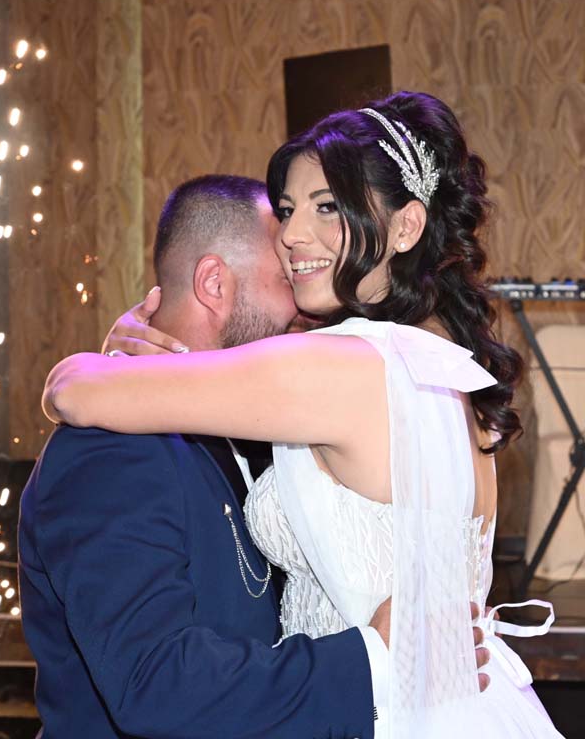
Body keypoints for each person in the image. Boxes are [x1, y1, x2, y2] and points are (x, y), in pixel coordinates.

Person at [44, 92, 563, 737]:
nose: (291, 235)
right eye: (288, 210)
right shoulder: (450, 373)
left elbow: (75, 393)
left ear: (406, 227)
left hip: (377, 713)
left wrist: (98, 362)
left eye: (327, 206)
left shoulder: (334, 367)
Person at [19, 175, 407, 739]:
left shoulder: (252, 426)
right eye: (286, 276)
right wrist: (368, 662)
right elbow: (156, 684)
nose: (305, 307)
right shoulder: (110, 449)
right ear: (214, 283)